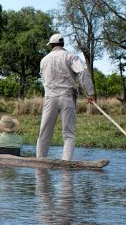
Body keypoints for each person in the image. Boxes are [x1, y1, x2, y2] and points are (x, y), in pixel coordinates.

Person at [36, 33, 96, 161]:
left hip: (50, 98)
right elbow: (82, 72)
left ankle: (40, 160)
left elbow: (43, 79)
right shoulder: (71, 56)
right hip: (67, 97)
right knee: (68, 134)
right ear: (62, 44)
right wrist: (90, 92)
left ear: (51, 45)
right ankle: (66, 162)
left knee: (44, 132)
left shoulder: (44, 60)